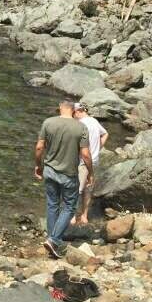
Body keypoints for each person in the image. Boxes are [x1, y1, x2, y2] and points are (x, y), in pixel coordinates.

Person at [34, 100, 93, 259]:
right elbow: (86, 155)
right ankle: (54, 240)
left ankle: (52, 240)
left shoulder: (48, 123)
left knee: (52, 204)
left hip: (50, 171)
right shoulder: (81, 127)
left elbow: (40, 147)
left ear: (60, 108)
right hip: (68, 174)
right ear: (74, 110)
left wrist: (38, 166)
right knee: (69, 207)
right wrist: (91, 172)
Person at [72, 103, 109, 226]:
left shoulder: (79, 124)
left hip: (83, 161)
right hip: (94, 160)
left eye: (73, 113)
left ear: (78, 112)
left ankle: (72, 217)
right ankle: (84, 215)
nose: (72, 116)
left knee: (76, 189)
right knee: (88, 188)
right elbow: (105, 134)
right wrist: (98, 148)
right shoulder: (94, 121)